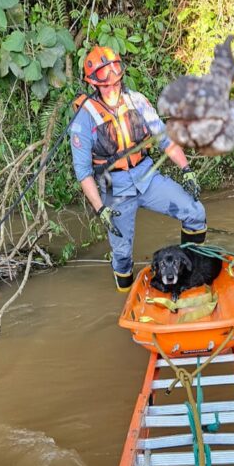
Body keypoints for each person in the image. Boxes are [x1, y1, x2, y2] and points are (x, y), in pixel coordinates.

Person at [69, 45, 207, 292]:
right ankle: (127, 298)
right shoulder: (83, 120)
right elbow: (83, 173)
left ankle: (189, 271)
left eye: (116, 83)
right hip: (114, 186)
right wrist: (101, 209)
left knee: (195, 212)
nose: (112, 90)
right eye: (106, 86)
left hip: (146, 176)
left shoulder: (138, 102)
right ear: (94, 86)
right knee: (121, 254)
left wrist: (186, 169)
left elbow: (165, 140)